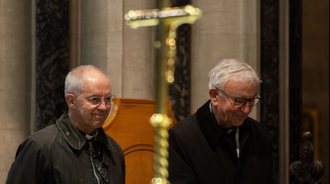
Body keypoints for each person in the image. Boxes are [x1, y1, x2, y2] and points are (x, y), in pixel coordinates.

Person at [6, 65, 125, 184]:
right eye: (95, 99)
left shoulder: (114, 150)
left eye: (108, 99)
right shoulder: (40, 147)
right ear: (71, 101)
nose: (104, 107)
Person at [168, 59, 278, 184]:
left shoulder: (259, 133)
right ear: (215, 96)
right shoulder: (181, 138)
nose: (247, 109)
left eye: (252, 100)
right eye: (239, 100)